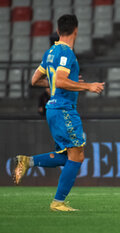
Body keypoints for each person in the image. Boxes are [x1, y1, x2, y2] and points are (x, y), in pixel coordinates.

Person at [12, 14, 105, 211]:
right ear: (76, 30)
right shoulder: (66, 53)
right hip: (63, 109)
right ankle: (58, 202)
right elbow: (61, 81)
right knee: (77, 155)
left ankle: (28, 161)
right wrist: (87, 86)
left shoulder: (50, 52)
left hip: (53, 109)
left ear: (57, 30)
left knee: (68, 155)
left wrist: (53, 83)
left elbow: (34, 80)